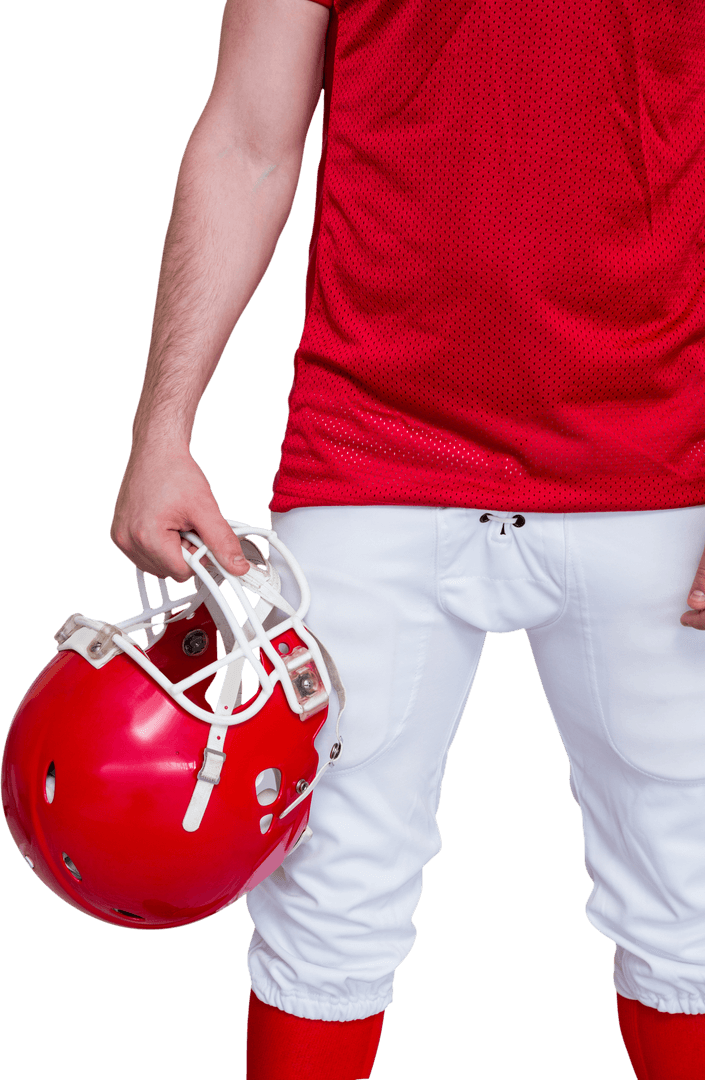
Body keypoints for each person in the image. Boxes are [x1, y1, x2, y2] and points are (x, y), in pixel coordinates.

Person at [110, 1, 705, 1076]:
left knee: (693, 910)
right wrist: (163, 429)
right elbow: (248, 133)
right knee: (321, 909)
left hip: (658, 456)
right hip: (371, 446)